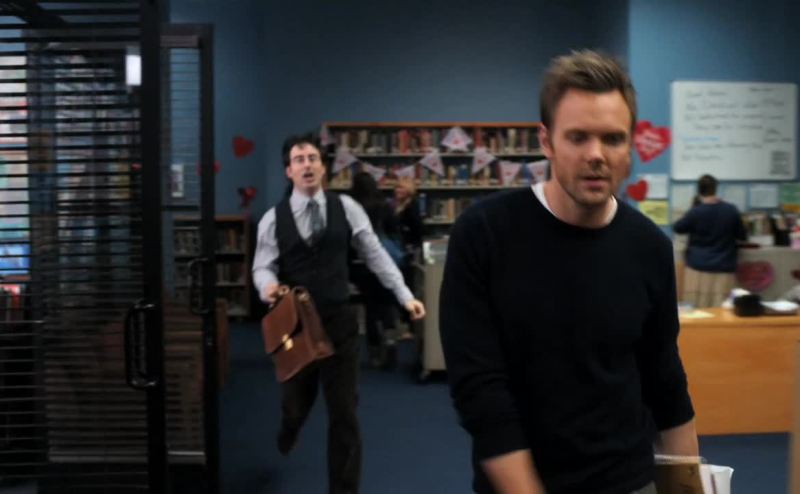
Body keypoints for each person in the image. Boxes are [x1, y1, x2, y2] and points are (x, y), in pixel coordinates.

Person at [439, 50, 698, 494]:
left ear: (630, 146)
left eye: (612, 139)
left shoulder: (650, 247)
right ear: (547, 141)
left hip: (629, 480)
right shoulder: (484, 234)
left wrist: (688, 489)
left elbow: (665, 381)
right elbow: (481, 394)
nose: (596, 155)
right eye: (577, 137)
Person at [252, 134, 425, 494]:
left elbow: (375, 252)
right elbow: (262, 266)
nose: (307, 165)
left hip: (339, 324)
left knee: (344, 413)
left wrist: (404, 295)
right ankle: (290, 426)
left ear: (323, 167)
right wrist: (267, 286)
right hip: (296, 327)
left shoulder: (346, 207)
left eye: (312, 158)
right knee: (296, 406)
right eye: (299, 159)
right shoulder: (272, 219)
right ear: (288, 171)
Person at [348, 171, 402, 367]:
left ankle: (374, 350)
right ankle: (391, 339)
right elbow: (395, 231)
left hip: (362, 264)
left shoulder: (352, 208)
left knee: (370, 306)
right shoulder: (385, 206)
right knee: (387, 302)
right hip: (384, 260)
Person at [673, 174, 747, 308]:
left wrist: (693, 208)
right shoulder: (731, 210)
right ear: (716, 189)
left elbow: (678, 228)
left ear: (699, 191)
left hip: (698, 267)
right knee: (723, 308)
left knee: (697, 309)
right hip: (724, 266)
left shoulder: (696, 212)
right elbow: (742, 236)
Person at [392, 176, 423, 339]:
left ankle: (410, 327)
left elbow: (418, 230)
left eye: (401, 187)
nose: (397, 190)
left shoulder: (411, 206)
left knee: (408, 287)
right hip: (400, 250)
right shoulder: (397, 205)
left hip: (408, 253)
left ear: (409, 190)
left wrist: (410, 246)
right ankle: (404, 324)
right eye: (396, 187)